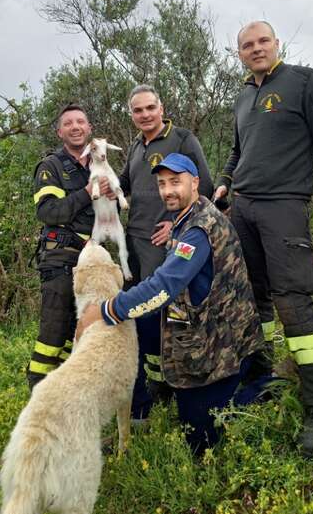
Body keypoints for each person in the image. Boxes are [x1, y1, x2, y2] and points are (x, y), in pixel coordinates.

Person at [76, 153, 265, 454]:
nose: (167, 190)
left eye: (175, 182)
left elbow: (164, 286)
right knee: (131, 323)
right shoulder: (190, 214)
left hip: (220, 342)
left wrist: (104, 310)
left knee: (198, 438)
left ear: (195, 182)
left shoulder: (198, 229)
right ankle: (139, 414)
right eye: (162, 184)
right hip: (199, 319)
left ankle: (263, 387)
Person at [214, 20, 313, 457]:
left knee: (294, 301)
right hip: (242, 208)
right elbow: (237, 150)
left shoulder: (304, 81)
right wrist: (225, 182)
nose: (256, 48)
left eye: (263, 41)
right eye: (247, 45)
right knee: (254, 297)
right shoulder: (244, 96)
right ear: (239, 53)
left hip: (284, 205)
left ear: (276, 43)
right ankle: (265, 376)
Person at [119, 84, 214, 417]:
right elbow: (126, 187)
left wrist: (175, 225)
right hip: (134, 241)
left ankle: (178, 380)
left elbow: (205, 188)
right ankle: (156, 381)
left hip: (165, 243)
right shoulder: (134, 146)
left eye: (150, 108)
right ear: (131, 114)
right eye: (137, 110)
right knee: (145, 315)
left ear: (161, 108)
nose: (145, 115)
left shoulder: (183, 140)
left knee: (162, 307)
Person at [27, 103, 111, 390]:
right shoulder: (50, 167)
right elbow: (50, 213)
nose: (75, 127)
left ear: (89, 129)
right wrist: (87, 193)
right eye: (69, 123)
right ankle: (38, 390)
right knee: (54, 332)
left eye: (81, 122)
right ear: (59, 131)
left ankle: (66, 391)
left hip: (92, 262)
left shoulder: (99, 166)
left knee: (82, 331)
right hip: (60, 260)